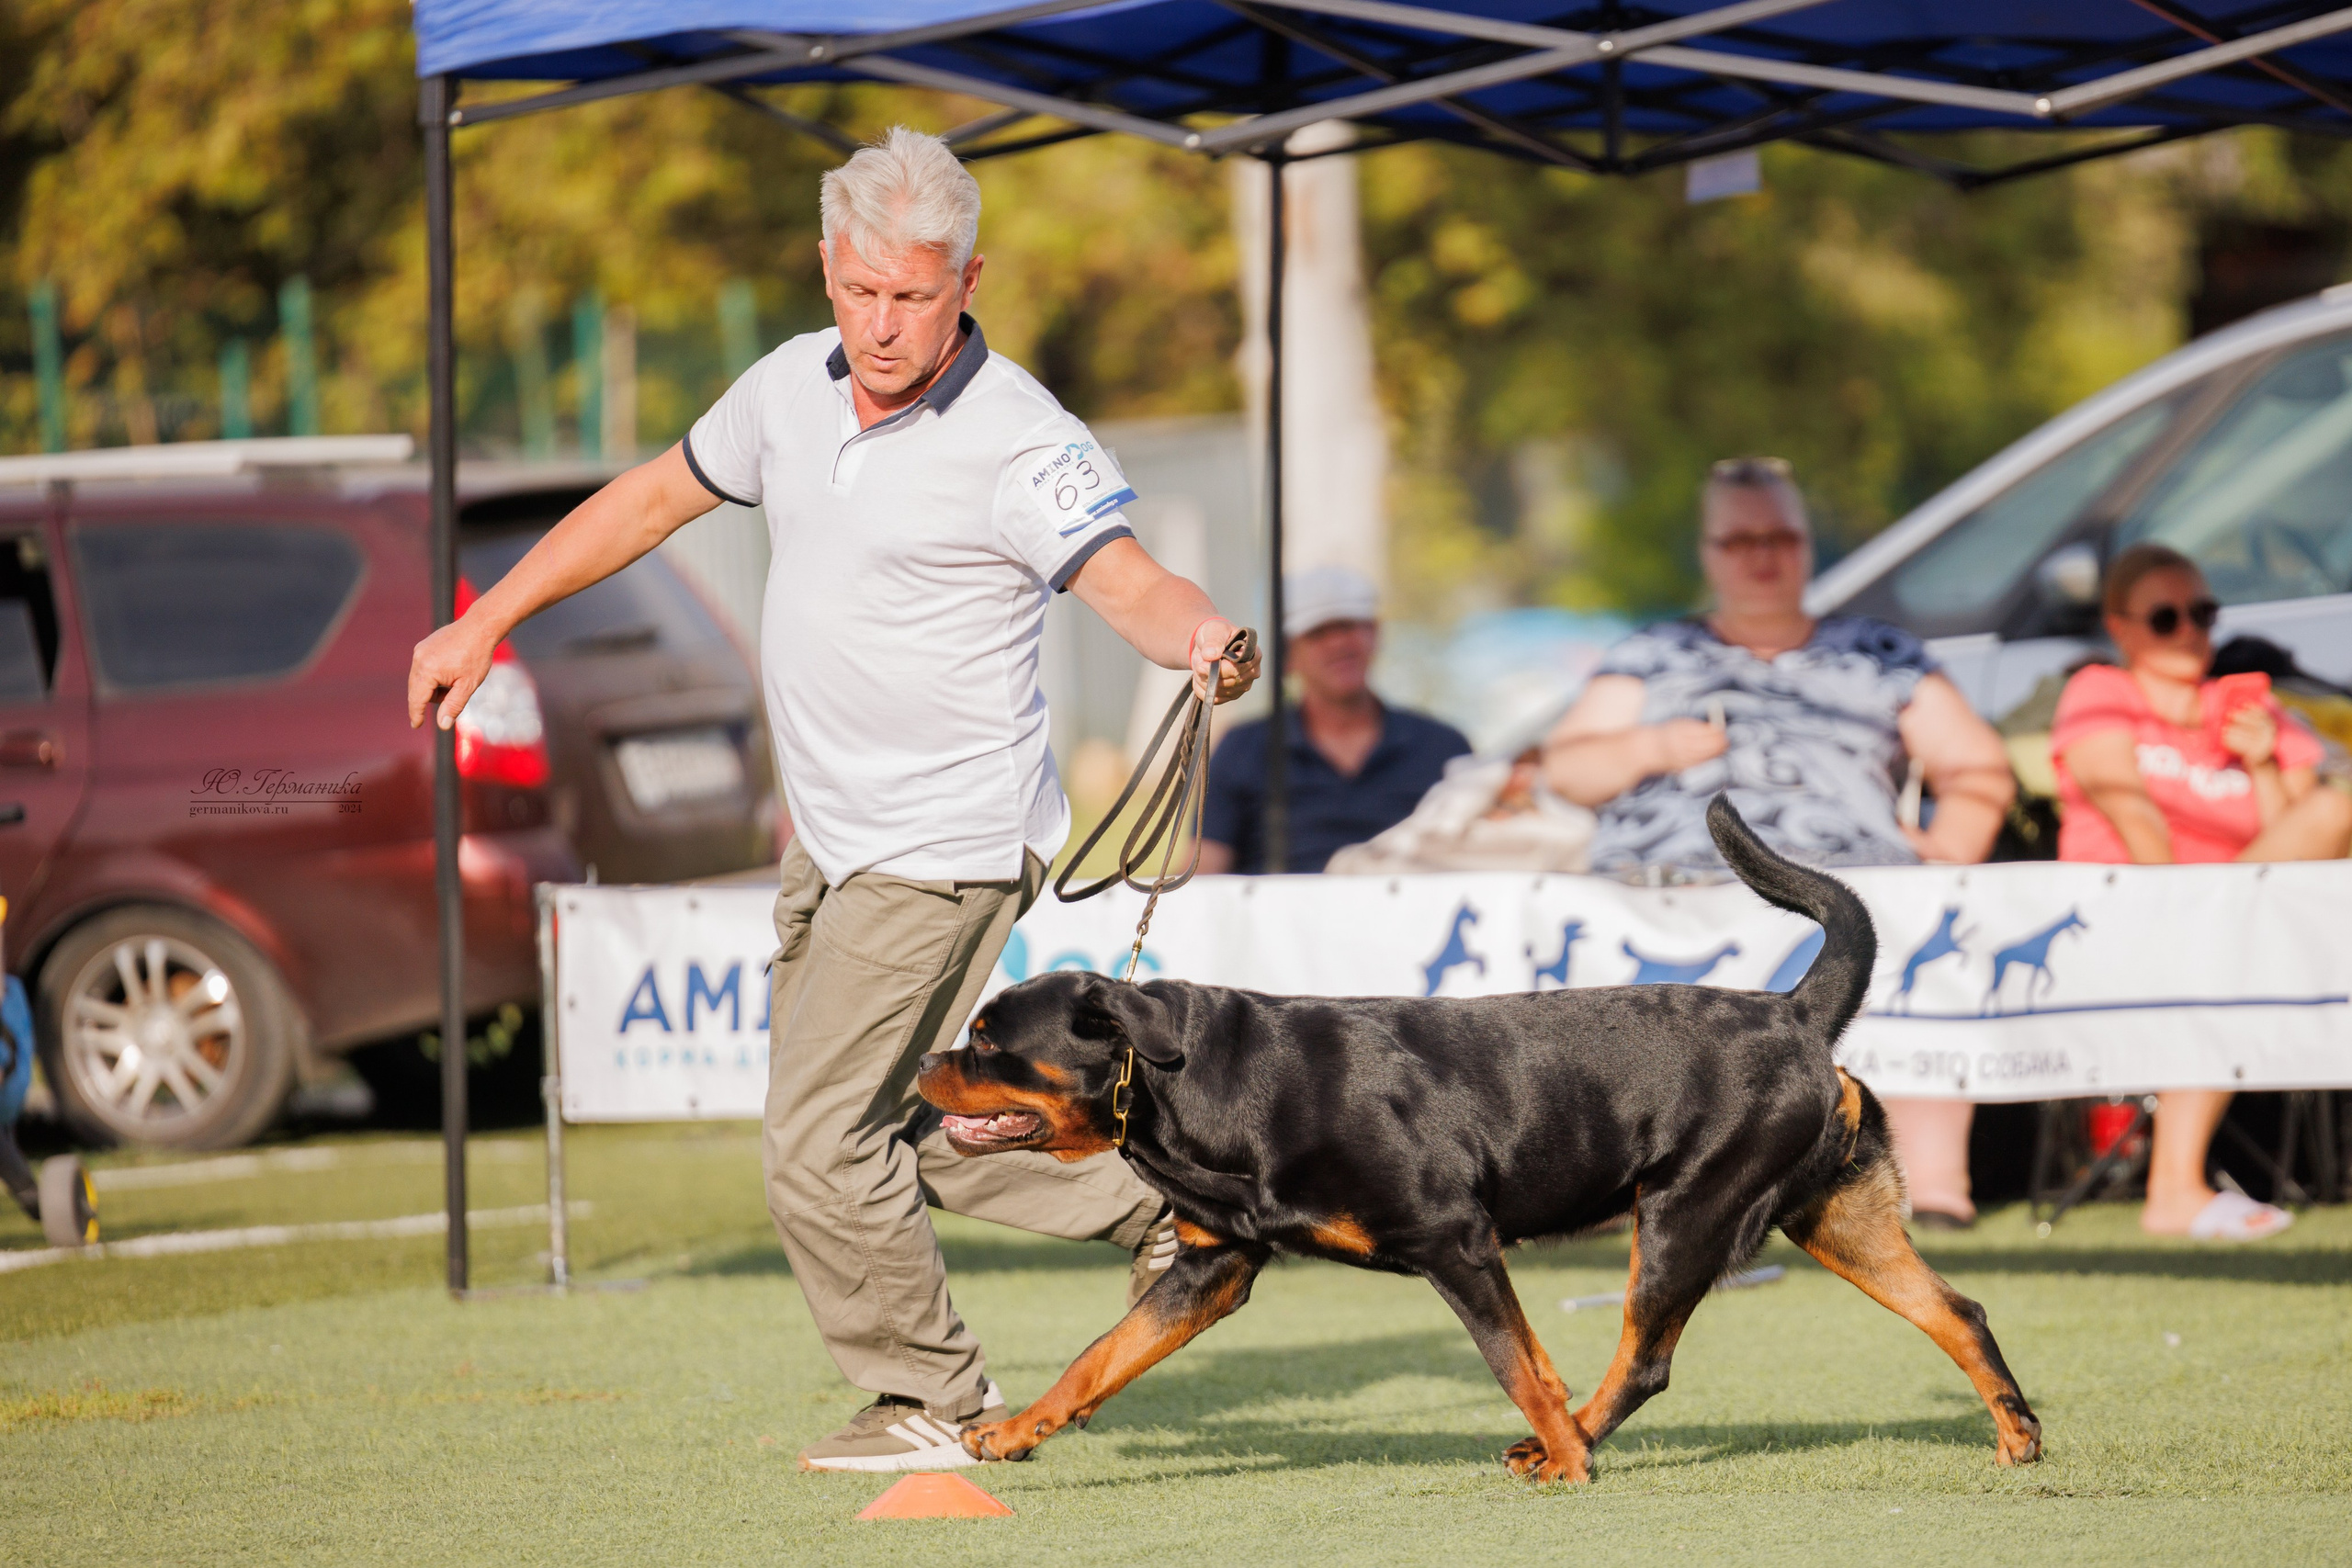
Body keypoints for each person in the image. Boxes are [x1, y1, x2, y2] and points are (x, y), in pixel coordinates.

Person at [407, 129, 1261, 1471]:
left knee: (815, 1141)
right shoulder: (783, 388)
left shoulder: (1023, 436)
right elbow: (647, 501)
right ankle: (1169, 1200)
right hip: (834, 845)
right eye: (861, 289)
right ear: (825, 267)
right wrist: (487, 618)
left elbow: (1129, 580)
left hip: (946, 845)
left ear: (968, 279)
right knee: (893, 1119)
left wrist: (1204, 634)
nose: (882, 322)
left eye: (913, 294)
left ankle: (930, 1396)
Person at [1543, 457, 2014, 1227]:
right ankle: (1615, 1183)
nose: (1762, 556)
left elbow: (1979, 768)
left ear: (1807, 544)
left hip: (1851, 887)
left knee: (1929, 928)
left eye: (1782, 537)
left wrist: (1946, 855)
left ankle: (1933, 1186)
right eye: (1740, 540)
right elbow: (1566, 769)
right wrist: (1650, 746)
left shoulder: (1880, 654)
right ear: (1707, 552)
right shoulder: (1653, 655)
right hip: (1676, 891)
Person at [2052, 543, 2351, 1241]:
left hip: (2254, 922)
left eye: (2203, 613)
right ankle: (2173, 1189)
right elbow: (2132, 813)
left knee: (2328, 817)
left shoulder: (2249, 705)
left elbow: (2307, 844)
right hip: (2126, 910)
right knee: (2232, 943)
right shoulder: (2101, 690)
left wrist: (2263, 763)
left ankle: (2182, 1185)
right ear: (2120, 627)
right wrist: (2185, 912)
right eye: (2166, 618)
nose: (2189, 630)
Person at [1197, 565, 1470, 874]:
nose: (1338, 644)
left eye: (1348, 627)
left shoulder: (1443, 748)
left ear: (1375, 635)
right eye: (1317, 634)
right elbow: (1203, 873)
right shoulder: (1242, 750)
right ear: (1288, 656)